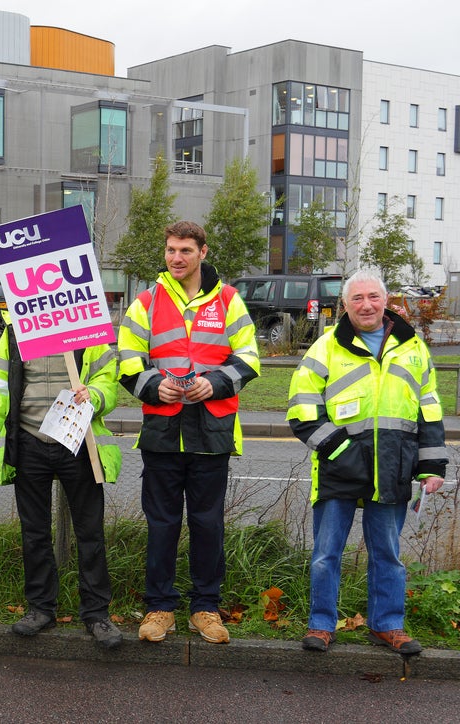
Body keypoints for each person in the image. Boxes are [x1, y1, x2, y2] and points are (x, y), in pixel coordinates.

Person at [287, 271, 447, 655]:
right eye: (357, 298)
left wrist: (432, 466)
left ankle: (387, 626)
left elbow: (430, 409)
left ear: (386, 299)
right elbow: (302, 410)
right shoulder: (325, 347)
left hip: (394, 467)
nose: (366, 304)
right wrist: (342, 452)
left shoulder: (414, 348)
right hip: (338, 468)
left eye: (373, 296)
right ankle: (321, 625)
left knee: (387, 555)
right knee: (326, 555)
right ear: (345, 305)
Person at [117, 220, 260, 644]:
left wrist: (214, 383)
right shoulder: (145, 301)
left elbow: (250, 355)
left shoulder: (230, 300)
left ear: (203, 252)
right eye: (170, 250)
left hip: (211, 431)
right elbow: (126, 357)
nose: (175, 258)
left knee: (207, 523)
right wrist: (151, 385)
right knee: (161, 523)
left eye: (184, 250)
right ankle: (160, 608)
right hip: (162, 430)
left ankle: (206, 608)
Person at [0, 312, 124, 648]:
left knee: (90, 533)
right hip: (29, 443)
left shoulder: (86, 329)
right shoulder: (15, 332)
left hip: (78, 442)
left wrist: (95, 395)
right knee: (34, 533)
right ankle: (41, 609)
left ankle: (97, 614)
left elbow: (107, 379)